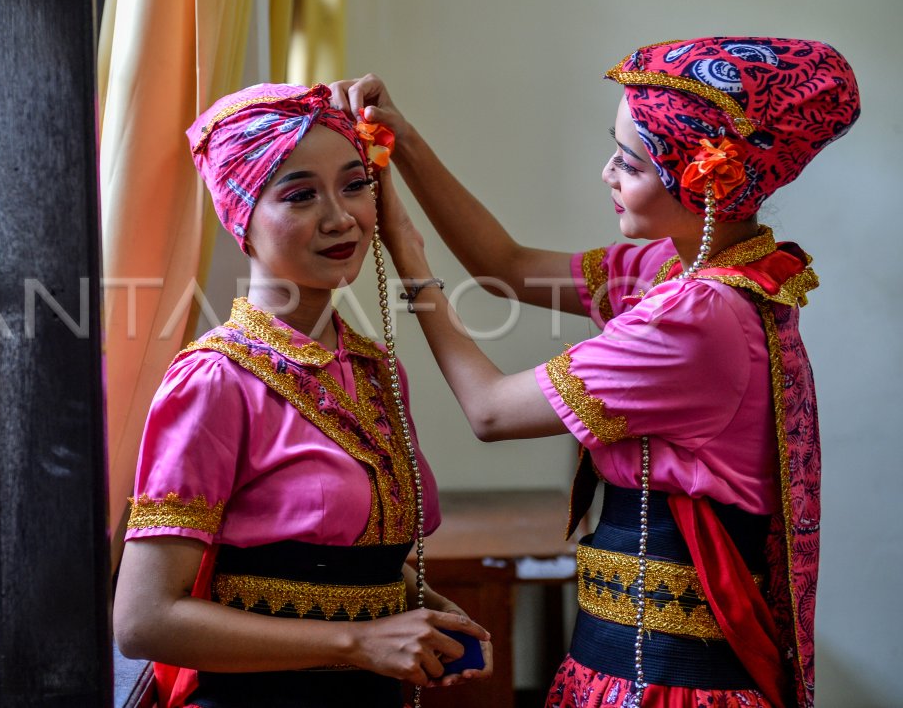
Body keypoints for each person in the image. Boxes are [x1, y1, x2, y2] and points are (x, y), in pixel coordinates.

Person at [330, 37, 859, 708]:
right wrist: (401, 138)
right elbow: (510, 265)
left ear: (702, 181)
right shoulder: (678, 268)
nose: (607, 172)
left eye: (630, 162)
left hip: (668, 686)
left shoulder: (696, 317)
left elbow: (489, 410)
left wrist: (412, 265)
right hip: (622, 662)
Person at [112, 82, 493, 708]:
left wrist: (415, 604)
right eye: (299, 195)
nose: (341, 217)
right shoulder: (216, 382)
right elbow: (143, 621)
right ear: (242, 221)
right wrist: (358, 641)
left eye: (354, 185)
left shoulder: (374, 371)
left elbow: (316, 554)